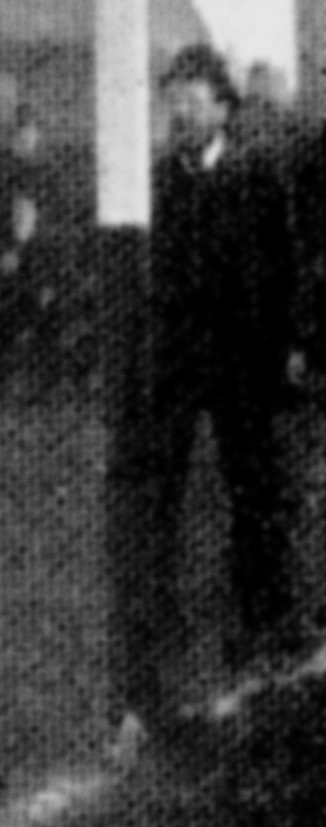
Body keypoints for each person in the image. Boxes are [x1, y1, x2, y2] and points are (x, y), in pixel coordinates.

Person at [110, 43, 306, 737]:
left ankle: (269, 623)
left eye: (195, 99)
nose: (183, 111)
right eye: (174, 100)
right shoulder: (156, 182)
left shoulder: (258, 176)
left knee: (256, 487)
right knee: (157, 488)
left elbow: (285, 268)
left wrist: (292, 345)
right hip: (178, 362)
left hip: (245, 361)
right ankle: (159, 637)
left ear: (223, 107)